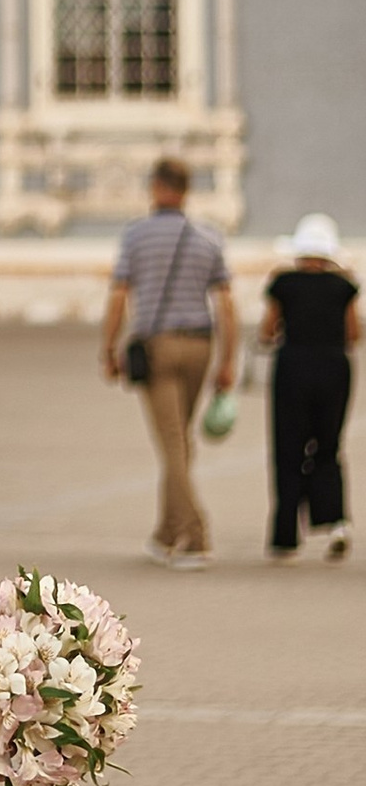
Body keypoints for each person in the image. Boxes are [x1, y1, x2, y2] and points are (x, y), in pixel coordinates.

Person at [102, 157, 238, 565]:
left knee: (172, 443)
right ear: (186, 190)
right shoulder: (208, 237)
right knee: (179, 440)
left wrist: (109, 347)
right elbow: (226, 305)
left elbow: (119, 295)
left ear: (157, 187)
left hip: (157, 346)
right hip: (200, 346)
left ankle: (195, 536)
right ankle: (166, 532)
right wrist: (228, 360)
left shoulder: (137, 236)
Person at [260, 217, 358, 562]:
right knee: (328, 446)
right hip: (334, 368)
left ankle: (286, 534)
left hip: (293, 368)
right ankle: (335, 522)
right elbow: (353, 334)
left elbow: (267, 331)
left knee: (288, 449)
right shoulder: (344, 287)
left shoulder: (283, 283)